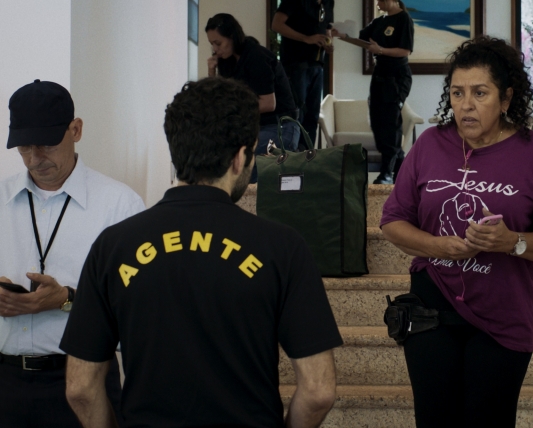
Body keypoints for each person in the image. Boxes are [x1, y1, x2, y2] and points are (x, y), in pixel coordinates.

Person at [60, 77, 342, 428]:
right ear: (240, 157)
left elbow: (80, 388)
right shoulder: (283, 247)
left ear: (176, 150)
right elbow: (318, 391)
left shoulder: (113, 245)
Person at [380, 37, 533, 427]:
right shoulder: (430, 144)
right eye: (457, 93)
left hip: (503, 316)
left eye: (479, 93)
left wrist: (513, 242)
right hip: (431, 310)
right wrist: (437, 245)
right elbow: (393, 221)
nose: (465, 104)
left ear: (505, 99)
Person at [0, 79, 144, 427]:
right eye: (23, 147)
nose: (35, 159)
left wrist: (67, 299)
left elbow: (138, 307)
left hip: (84, 384)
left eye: (46, 144)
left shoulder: (120, 205)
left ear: (75, 130)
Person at [206, 13, 300, 183]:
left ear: (232, 37)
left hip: (280, 126)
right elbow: (218, 101)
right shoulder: (228, 61)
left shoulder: (256, 56)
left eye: (218, 43)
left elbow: (268, 103)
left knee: (240, 160)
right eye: (212, 44)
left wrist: (233, 110)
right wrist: (212, 72)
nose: (215, 49)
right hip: (258, 128)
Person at [358, 0, 414, 184]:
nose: (379, 3)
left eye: (381, 0)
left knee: (390, 125)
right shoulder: (379, 21)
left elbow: (405, 50)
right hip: (379, 76)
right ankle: (401, 173)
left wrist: (380, 49)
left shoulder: (403, 19)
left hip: (396, 77)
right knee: (377, 123)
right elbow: (363, 38)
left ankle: (386, 173)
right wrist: (341, 33)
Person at [272, 0, 335, 150]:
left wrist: (328, 42)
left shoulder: (328, 2)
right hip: (296, 63)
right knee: (296, 113)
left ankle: (307, 158)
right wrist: (306, 38)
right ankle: (292, 157)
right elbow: (276, 24)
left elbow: (327, 28)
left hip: (317, 64)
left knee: (312, 116)